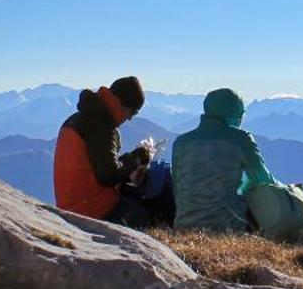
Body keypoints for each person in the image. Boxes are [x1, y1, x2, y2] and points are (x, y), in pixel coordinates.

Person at [53, 75, 173, 229]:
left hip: (72, 204)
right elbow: (108, 175)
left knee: (133, 196)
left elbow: (102, 166)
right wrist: (136, 158)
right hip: (88, 209)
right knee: (144, 215)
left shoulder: (83, 118)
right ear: (124, 104)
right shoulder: (101, 125)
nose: (129, 118)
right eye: (133, 112)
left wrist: (131, 159)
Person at [171, 88, 279, 232]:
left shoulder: (181, 142)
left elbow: (177, 187)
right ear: (234, 112)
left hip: (184, 225)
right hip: (228, 226)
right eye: (241, 114)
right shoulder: (241, 139)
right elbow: (263, 178)